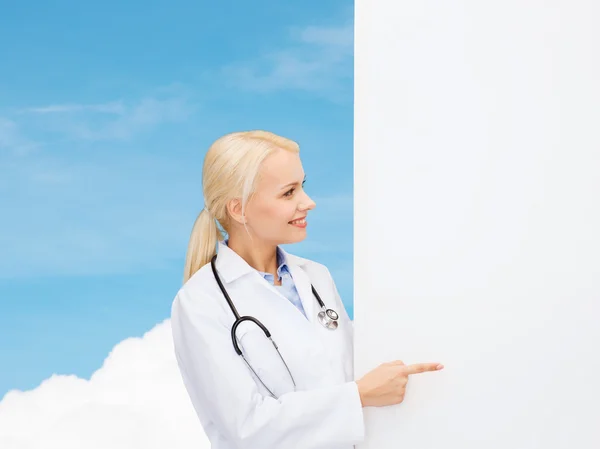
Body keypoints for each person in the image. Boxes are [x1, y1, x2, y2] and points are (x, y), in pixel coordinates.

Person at [170, 130, 444, 449]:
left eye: (303, 186)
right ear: (239, 209)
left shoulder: (315, 277)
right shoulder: (200, 303)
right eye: (288, 193)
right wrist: (359, 396)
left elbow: (348, 369)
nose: (308, 202)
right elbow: (246, 427)